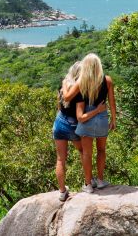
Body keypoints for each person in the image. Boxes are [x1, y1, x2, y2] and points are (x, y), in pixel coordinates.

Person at [52, 62, 106, 201]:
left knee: (60, 159)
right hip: (74, 125)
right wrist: (97, 110)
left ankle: (62, 191)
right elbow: (80, 116)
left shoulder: (64, 86)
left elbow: (60, 104)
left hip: (60, 121)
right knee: (84, 152)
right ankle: (89, 181)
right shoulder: (81, 89)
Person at [75, 53, 117, 193]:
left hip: (87, 117)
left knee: (87, 153)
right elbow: (112, 102)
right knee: (101, 150)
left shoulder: (82, 83)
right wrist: (113, 119)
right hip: (102, 117)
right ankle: (99, 180)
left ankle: (88, 185)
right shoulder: (107, 80)